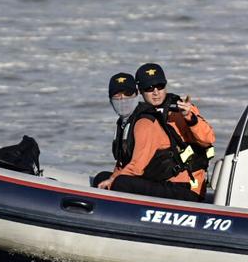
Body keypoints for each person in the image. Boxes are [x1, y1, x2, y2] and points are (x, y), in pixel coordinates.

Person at [97, 63, 216, 201]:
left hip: (188, 183)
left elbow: (208, 139)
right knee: (104, 178)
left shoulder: (180, 109)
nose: (156, 92)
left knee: (121, 182)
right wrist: (111, 178)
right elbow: (126, 160)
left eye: (160, 86)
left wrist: (189, 117)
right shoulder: (135, 118)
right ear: (140, 91)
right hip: (159, 177)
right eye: (149, 88)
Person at [92, 72, 139, 187]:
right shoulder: (123, 123)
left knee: (119, 183)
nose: (123, 98)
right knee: (101, 177)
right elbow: (122, 161)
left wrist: (114, 179)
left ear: (137, 94)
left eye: (127, 93)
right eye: (117, 95)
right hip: (137, 176)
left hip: (153, 178)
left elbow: (139, 163)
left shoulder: (143, 121)